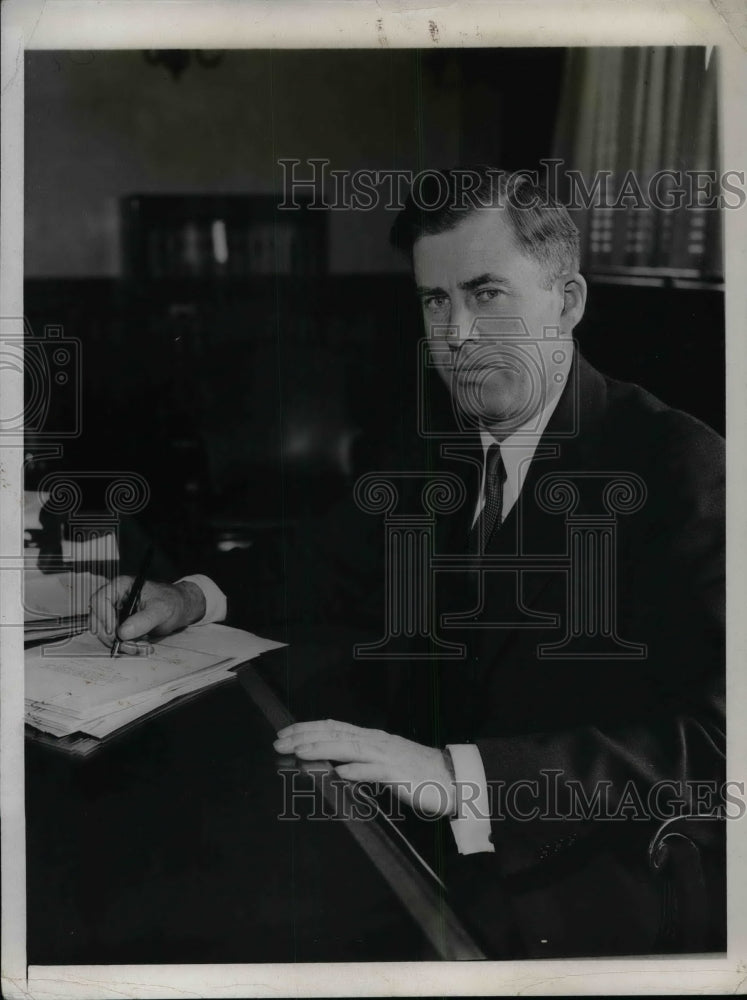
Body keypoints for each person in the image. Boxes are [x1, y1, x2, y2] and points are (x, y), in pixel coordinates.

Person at [90, 168, 725, 958]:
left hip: (587, 882)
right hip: (422, 833)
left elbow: (716, 737)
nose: (455, 335)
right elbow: (323, 559)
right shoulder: (442, 442)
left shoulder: (679, 467)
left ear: (566, 302)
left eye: (486, 293)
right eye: (435, 300)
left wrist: (462, 777)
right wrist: (188, 597)